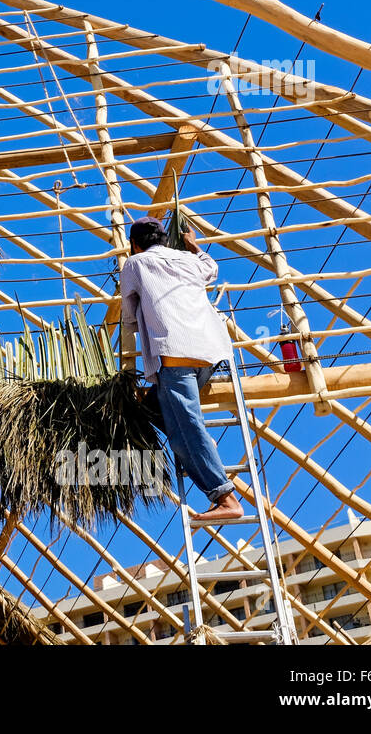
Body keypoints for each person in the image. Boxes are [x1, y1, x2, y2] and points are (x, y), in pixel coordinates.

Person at [120, 216, 243, 521]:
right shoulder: (187, 259)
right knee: (153, 410)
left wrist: (137, 323)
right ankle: (203, 446)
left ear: (135, 244)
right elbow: (211, 269)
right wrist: (194, 246)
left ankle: (225, 497)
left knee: (186, 426)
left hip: (174, 354)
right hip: (210, 352)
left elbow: (128, 313)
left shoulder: (134, 265)